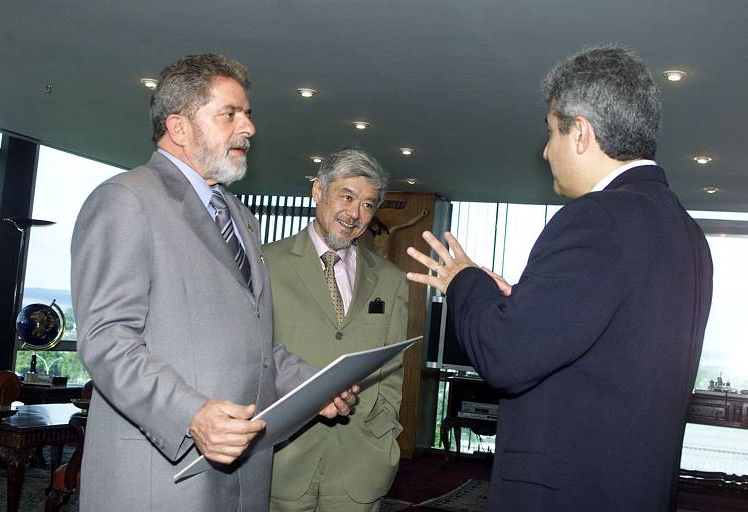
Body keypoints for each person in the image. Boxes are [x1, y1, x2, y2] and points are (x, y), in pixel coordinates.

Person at [405, 46, 713, 511]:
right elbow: (602, 341)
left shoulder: (596, 219)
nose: (546, 150)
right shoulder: (687, 234)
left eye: (551, 132)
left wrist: (464, 282)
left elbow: (506, 356)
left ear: (582, 133)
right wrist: (517, 302)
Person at [71, 53, 356, 512]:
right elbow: (107, 340)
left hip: (243, 472)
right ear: (179, 128)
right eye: (230, 114)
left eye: (247, 113)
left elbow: (257, 345)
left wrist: (316, 385)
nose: (248, 127)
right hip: (161, 476)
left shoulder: (240, 217)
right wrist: (191, 416)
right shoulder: (124, 201)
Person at [265, 148, 408, 511]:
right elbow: (252, 356)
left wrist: (385, 439)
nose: (355, 214)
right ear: (318, 191)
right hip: (281, 460)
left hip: (360, 467)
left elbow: (392, 373)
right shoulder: (266, 263)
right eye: (347, 196)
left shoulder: (390, 280)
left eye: (368, 204)